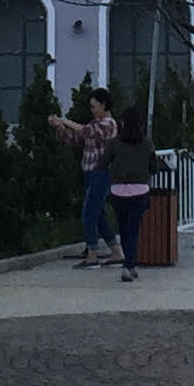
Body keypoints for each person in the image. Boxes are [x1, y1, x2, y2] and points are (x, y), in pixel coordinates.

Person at [54, 86, 120, 266]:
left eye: (94, 106)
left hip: (102, 172)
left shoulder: (109, 124)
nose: (92, 109)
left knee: (89, 213)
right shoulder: (93, 123)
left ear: (103, 105)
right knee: (98, 214)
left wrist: (65, 120)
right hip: (90, 172)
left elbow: (86, 132)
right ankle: (115, 251)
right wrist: (60, 128)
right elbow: (76, 139)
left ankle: (92, 253)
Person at [105, 110, 155, 282]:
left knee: (124, 229)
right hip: (140, 191)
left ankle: (129, 264)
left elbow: (103, 163)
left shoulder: (114, 144)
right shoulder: (147, 144)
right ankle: (129, 264)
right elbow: (153, 167)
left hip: (118, 191)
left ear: (123, 123)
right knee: (133, 229)